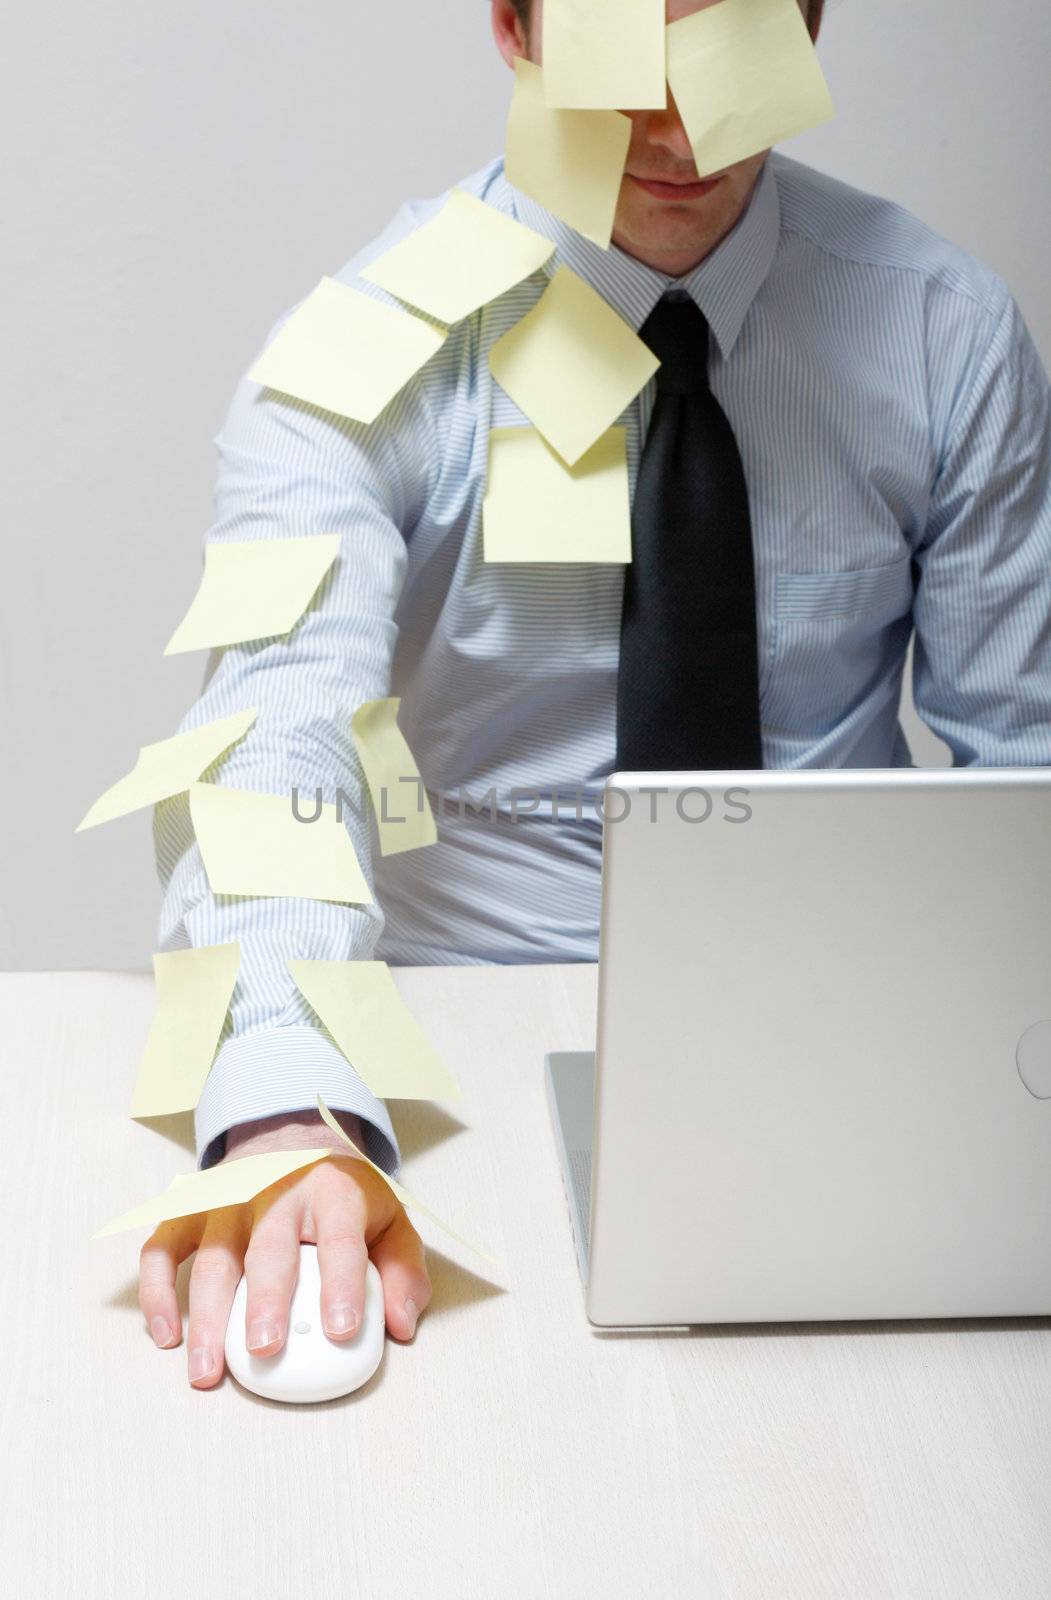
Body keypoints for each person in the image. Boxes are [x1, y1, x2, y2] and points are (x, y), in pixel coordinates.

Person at [138, 0, 1051, 1388]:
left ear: (809, 30)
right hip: (462, 1038)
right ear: (514, 26)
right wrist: (287, 1107)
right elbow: (281, 720)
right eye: (624, 55)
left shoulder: (945, 332)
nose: (677, 127)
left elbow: (1024, 774)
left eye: (731, 51)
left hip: (837, 1044)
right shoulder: (366, 348)